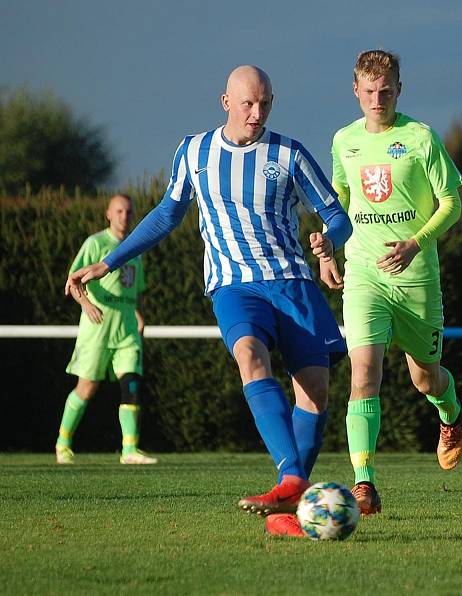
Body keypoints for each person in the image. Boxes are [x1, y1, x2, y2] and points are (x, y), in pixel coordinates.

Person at [65, 65, 352, 537]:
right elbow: (166, 214)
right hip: (234, 286)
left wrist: (328, 240)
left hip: (292, 282)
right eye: (247, 103)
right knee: (249, 357)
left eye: (265, 103)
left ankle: (286, 512)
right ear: (225, 102)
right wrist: (110, 262)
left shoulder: (290, 153)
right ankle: (292, 477)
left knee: (316, 393)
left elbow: (337, 216)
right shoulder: (195, 151)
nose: (257, 113)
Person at [320, 49, 462, 515]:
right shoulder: (344, 141)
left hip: (416, 279)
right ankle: (363, 482)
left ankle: (450, 414)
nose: (377, 99)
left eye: (385, 91)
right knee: (363, 374)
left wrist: (416, 243)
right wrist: (327, 244)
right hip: (365, 273)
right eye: (369, 91)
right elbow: (341, 199)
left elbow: (451, 204)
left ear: (398, 90)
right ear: (356, 91)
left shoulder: (421, 138)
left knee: (425, 380)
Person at [56, 194, 156, 465]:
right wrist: (86, 304)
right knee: (86, 388)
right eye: (119, 211)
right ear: (108, 214)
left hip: (125, 328)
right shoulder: (95, 243)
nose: (125, 216)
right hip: (97, 327)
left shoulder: (135, 248)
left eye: (129, 211)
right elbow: (73, 280)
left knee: (131, 383)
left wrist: (137, 313)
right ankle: (63, 443)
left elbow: (133, 289)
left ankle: (130, 450)